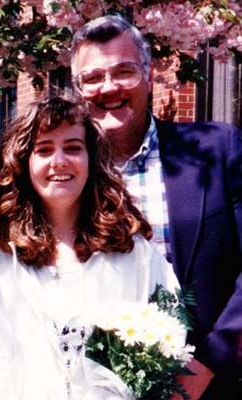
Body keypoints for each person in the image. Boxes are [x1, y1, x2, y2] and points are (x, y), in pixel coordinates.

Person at [69, 14, 242, 399]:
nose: (108, 88)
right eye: (92, 78)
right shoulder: (61, 176)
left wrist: (208, 363)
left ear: (148, 77)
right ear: (78, 90)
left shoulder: (217, 150)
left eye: (123, 72)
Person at [0, 94, 181, 399]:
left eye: (73, 148)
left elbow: (171, 335)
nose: (59, 161)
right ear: (24, 163)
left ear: (91, 159)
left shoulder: (132, 251)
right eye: (44, 150)